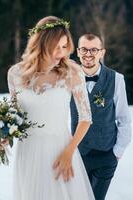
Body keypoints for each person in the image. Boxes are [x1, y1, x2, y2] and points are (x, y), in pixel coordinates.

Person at [6, 16, 95, 200]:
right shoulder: (15, 74)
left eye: (64, 46)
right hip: (28, 153)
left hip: (60, 152)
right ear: (41, 44)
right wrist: (4, 137)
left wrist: (68, 152)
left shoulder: (72, 72)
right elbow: (15, 118)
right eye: (56, 47)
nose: (61, 53)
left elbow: (86, 118)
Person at [70, 33, 132, 200]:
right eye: (84, 49)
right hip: (77, 154)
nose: (88, 54)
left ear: (102, 52)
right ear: (77, 51)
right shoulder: (69, 79)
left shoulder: (117, 79)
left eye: (94, 50)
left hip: (106, 154)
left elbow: (124, 118)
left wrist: (116, 153)